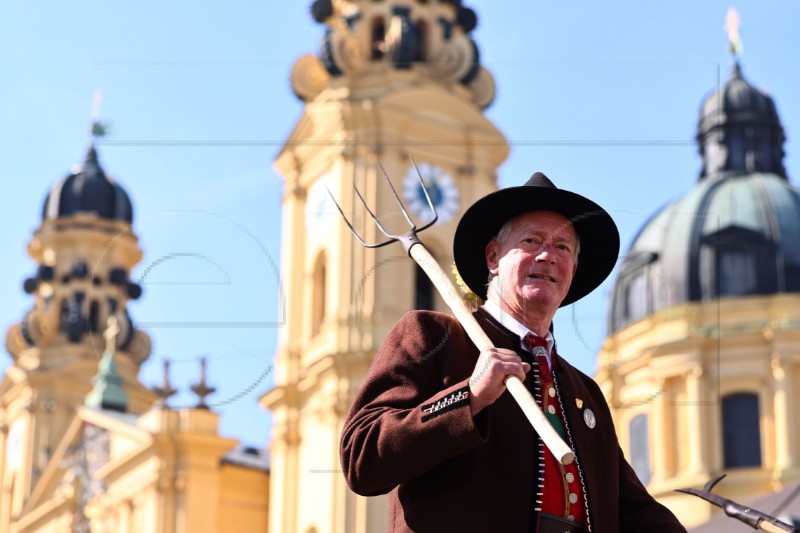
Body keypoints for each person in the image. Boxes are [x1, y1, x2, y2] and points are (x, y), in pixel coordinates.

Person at [340, 173, 686, 532]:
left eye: (563, 247)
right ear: (493, 256)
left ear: (573, 270)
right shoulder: (433, 338)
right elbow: (361, 459)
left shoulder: (585, 390)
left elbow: (631, 509)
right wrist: (468, 398)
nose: (548, 255)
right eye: (532, 240)